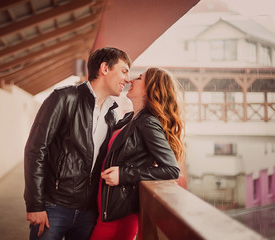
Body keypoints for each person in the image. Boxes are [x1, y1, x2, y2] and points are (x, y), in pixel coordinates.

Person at [23, 47, 132, 240]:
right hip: (53, 206)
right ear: (105, 68)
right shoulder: (64, 98)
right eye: (124, 71)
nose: (127, 78)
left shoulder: (111, 114)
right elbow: (35, 150)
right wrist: (35, 205)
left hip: (88, 212)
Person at [90, 67, 185, 240]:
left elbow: (172, 169)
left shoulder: (148, 123)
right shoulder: (130, 119)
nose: (131, 80)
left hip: (118, 218)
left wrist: (124, 174)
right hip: (104, 210)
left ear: (149, 89)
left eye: (139, 78)